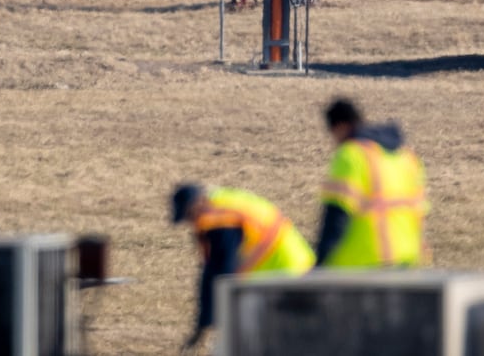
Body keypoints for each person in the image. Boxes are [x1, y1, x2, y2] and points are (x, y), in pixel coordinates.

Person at [170, 183, 314, 355]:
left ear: (198, 203)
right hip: (287, 265)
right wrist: (203, 323)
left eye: (190, 215)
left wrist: (211, 322)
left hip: (285, 270)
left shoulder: (219, 219)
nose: (191, 222)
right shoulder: (218, 206)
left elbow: (225, 274)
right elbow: (213, 271)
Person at [316, 98, 429, 269]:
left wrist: (320, 262)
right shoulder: (406, 156)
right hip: (408, 258)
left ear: (340, 127)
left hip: (367, 263)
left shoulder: (351, 155)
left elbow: (336, 216)